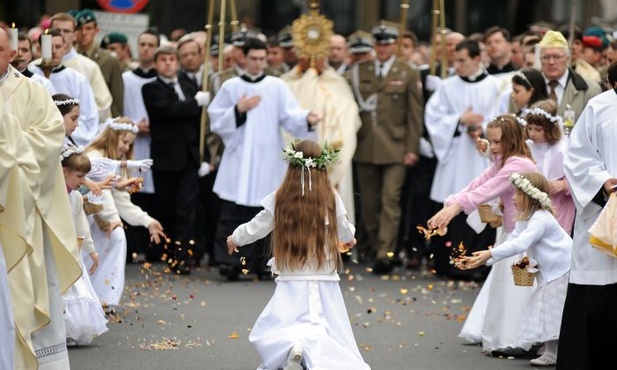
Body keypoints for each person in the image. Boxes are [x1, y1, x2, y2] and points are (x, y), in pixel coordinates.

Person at [226, 139, 370, 370]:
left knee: (284, 318)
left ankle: (293, 346)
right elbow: (343, 229)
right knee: (323, 320)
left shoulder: (281, 196)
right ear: (323, 167)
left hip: (292, 270)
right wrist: (350, 237)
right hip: (323, 271)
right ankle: (312, 353)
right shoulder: (330, 197)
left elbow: (258, 225)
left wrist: (235, 237)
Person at [1, 26, 82, 370]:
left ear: (11, 52)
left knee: (18, 294)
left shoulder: (30, 91)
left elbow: (49, 142)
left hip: (19, 211)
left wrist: (6, 148)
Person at [208, 37, 321, 281]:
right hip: (239, 157)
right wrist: (238, 110)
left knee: (267, 210)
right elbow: (216, 121)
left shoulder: (276, 86)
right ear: (244, 58)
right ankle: (230, 262)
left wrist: (306, 119)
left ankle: (261, 263)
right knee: (233, 210)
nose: (259, 63)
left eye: (262, 59)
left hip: (268, 156)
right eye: (254, 59)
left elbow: (290, 116)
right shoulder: (231, 86)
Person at [428, 114, 537, 354]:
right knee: (502, 287)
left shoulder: (519, 164)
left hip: (525, 236)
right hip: (511, 231)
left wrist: (456, 208)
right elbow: (477, 184)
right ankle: (502, 334)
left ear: (512, 139)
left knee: (516, 290)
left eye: (498, 142)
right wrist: (451, 204)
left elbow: (487, 191)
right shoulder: (503, 161)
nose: (493, 147)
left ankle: (517, 338)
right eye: (492, 142)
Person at [458, 171, 571, 366]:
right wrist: (486, 258)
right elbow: (513, 239)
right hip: (551, 272)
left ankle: (559, 351)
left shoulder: (541, 218)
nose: (513, 198)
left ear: (531, 196)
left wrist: (489, 255)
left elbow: (521, 244)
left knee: (554, 311)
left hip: (563, 270)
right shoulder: (526, 218)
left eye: (518, 194)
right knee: (546, 309)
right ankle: (551, 352)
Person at [346, 21, 424, 274]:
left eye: (387, 43)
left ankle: (385, 252)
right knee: (369, 203)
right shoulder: (359, 70)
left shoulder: (407, 71)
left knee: (390, 200)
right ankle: (371, 246)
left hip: (396, 147)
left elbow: (415, 114)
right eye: (379, 43)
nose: (382, 48)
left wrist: (412, 148)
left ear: (395, 46)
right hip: (366, 146)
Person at [424, 38, 501, 278]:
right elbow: (433, 117)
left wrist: (483, 129)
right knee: (452, 203)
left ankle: (476, 266)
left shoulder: (494, 86)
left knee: (482, 203)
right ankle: (447, 264)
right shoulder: (448, 86)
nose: (457, 65)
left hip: (482, 156)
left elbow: (502, 116)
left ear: (477, 59)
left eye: (463, 60)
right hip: (456, 155)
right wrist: (458, 121)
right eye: (455, 60)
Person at [557, 61, 617, 369]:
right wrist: (602, 182)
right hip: (603, 210)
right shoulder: (600, 107)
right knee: (595, 300)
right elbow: (577, 156)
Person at [142, 45, 211, 274]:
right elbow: (167, 110)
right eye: (163, 60)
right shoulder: (151, 88)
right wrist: (194, 104)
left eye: (172, 59)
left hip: (189, 158)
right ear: (156, 64)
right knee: (168, 207)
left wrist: (203, 156)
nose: (169, 63)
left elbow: (198, 124)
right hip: (166, 158)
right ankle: (170, 252)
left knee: (186, 209)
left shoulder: (189, 85)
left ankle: (183, 257)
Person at [84, 118, 165, 310]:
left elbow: (122, 202)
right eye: (124, 141)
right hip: (86, 217)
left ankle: (105, 296)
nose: (126, 148)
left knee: (118, 237)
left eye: (130, 144)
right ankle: (91, 296)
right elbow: (101, 193)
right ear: (112, 137)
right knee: (116, 236)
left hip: (102, 217)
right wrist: (113, 220)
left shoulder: (117, 163)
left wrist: (148, 222)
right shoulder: (94, 156)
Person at [59, 147, 109, 346]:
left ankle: (72, 330)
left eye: (85, 176)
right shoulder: (53, 195)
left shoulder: (76, 197)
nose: (83, 181)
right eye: (79, 176)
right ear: (64, 172)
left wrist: (92, 251)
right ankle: (58, 330)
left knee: (76, 289)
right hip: (58, 249)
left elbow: (82, 226)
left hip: (73, 250)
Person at [29, 28, 99, 147]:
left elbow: (89, 117)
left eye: (58, 47)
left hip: (71, 142)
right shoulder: (30, 74)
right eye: (49, 47)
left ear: (65, 49)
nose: (53, 51)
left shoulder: (78, 79)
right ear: (39, 49)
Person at [521, 99, 575, 234]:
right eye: (529, 128)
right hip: (531, 208)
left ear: (550, 129)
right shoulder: (528, 147)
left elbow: (579, 178)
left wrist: (563, 184)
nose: (532, 133)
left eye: (538, 130)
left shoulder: (563, 149)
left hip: (559, 208)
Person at [538, 30, 601, 119]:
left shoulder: (589, 90)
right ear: (540, 60)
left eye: (557, 57)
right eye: (546, 57)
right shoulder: (529, 87)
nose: (551, 62)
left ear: (567, 58)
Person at [75, 9, 124, 117]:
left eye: (88, 28)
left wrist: (116, 126)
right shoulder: (69, 58)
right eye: (80, 29)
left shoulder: (109, 60)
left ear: (96, 30)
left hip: (101, 119)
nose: (84, 33)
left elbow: (117, 100)